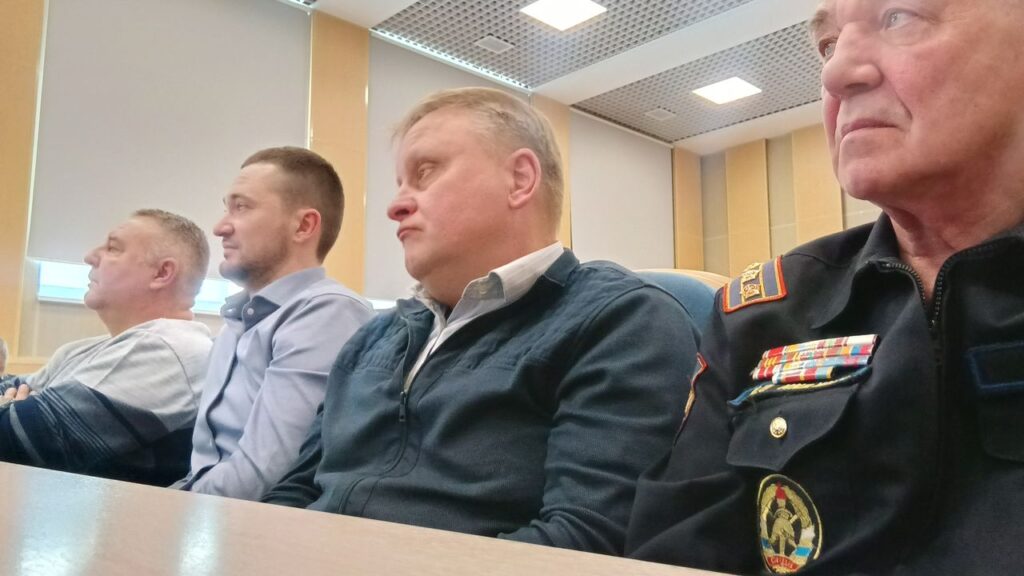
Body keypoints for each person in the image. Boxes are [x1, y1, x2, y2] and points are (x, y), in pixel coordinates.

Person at [626, 0, 1024, 574]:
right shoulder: (762, 313)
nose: (836, 73)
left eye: (899, 16)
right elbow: (673, 552)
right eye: (828, 44)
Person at [261, 87, 697, 556]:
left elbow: (582, 542)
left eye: (425, 172)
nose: (395, 206)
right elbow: (293, 494)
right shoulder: (371, 338)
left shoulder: (621, 321)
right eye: (400, 182)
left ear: (519, 180)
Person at [176, 147, 374, 500]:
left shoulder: (326, 313)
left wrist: (174, 505)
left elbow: (261, 478)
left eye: (242, 207)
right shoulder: (238, 320)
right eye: (227, 208)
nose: (220, 227)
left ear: (303, 226)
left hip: (240, 519)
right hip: (201, 505)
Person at [0, 209, 212, 485]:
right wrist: (12, 408)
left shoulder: (171, 348)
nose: (90, 256)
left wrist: (13, 411)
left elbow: (13, 441)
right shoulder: (81, 350)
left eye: (113, 248)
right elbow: (9, 395)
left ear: (162, 273)